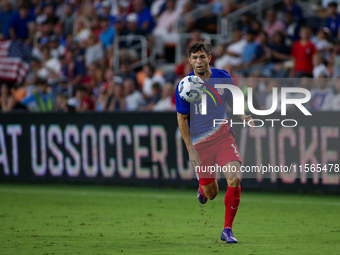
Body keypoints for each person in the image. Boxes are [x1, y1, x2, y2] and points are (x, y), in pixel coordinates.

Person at [176, 41, 254, 244]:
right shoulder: (185, 87)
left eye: (202, 56)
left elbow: (232, 102)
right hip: (201, 145)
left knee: (234, 178)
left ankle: (227, 229)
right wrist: (190, 150)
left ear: (209, 58)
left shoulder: (223, 78)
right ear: (189, 61)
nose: (198, 61)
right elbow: (182, 119)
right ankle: (203, 189)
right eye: (194, 58)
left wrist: (243, 115)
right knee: (212, 194)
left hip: (223, 137)